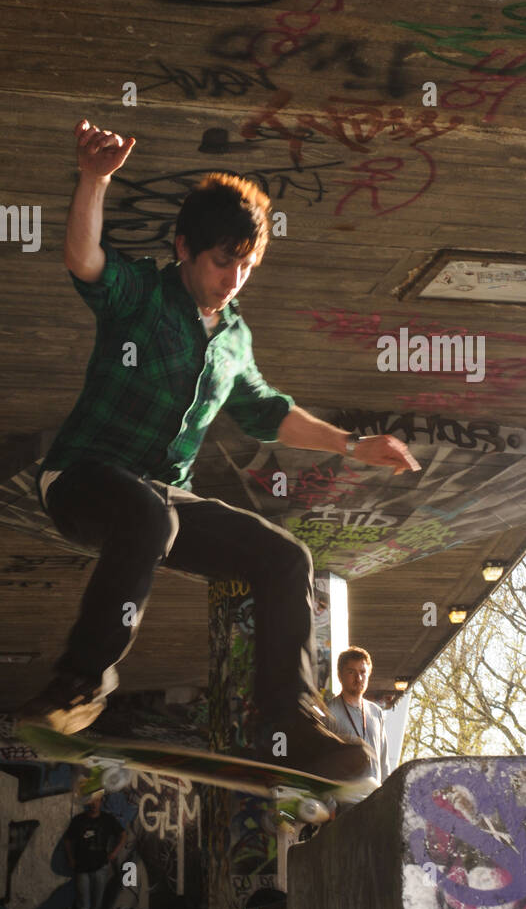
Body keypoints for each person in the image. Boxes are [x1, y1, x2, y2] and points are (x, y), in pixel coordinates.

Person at [18, 120, 421, 780]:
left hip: (161, 500)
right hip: (82, 480)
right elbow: (84, 260)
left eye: (245, 265)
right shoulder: (143, 297)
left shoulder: (234, 338)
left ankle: (289, 725)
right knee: (150, 515)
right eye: (220, 261)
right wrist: (94, 180)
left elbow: (268, 412)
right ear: (183, 249)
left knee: (285, 558)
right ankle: (77, 686)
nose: (232, 278)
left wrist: (352, 445)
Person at [64, 792, 125, 909]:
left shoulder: (107, 819)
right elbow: (68, 840)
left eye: (96, 801)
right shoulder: (79, 820)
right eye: (91, 801)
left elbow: (123, 835)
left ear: (101, 801)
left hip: (100, 867)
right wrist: (71, 859)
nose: (93, 804)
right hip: (82, 868)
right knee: (83, 906)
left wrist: (113, 854)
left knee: (96, 907)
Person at [326, 647, 390, 784]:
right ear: (339, 675)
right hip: (344, 803)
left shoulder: (376, 712)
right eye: (351, 672)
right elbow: (322, 762)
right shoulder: (329, 713)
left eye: (363, 672)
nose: (358, 678)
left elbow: (384, 761)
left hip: (375, 799)